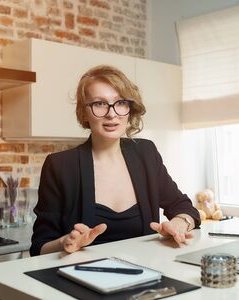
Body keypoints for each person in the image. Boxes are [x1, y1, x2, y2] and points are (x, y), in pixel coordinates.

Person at [30, 65, 201, 256]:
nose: (112, 114)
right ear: (84, 112)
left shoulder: (146, 153)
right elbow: (39, 247)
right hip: (83, 278)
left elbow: (184, 207)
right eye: (99, 104)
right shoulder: (60, 166)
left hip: (146, 278)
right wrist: (64, 242)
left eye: (120, 103)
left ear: (129, 109)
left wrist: (179, 223)